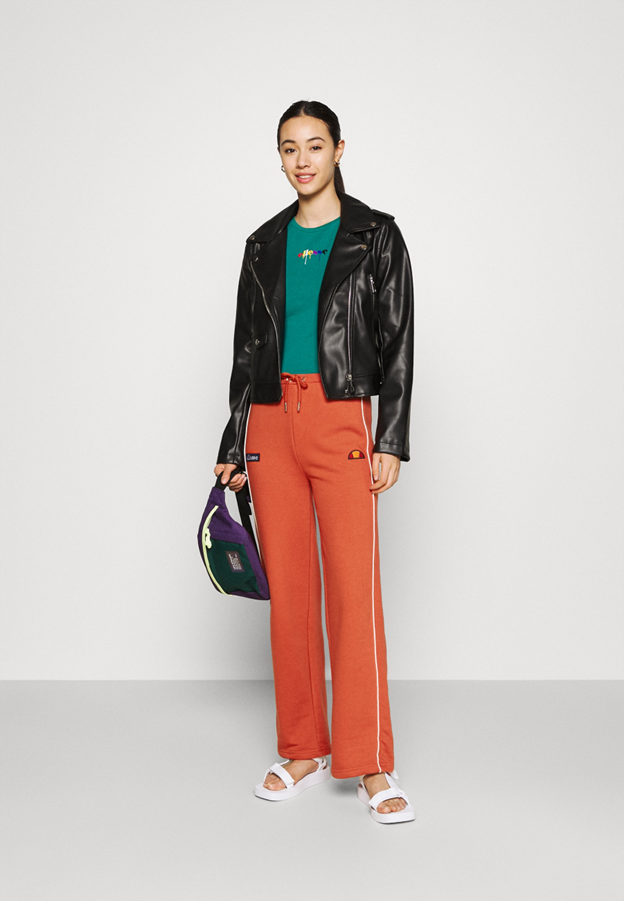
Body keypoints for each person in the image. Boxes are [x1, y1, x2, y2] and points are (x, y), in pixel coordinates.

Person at [214, 100, 415, 824]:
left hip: (340, 416)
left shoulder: (375, 236)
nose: (302, 160)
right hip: (271, 420)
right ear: (280, 157)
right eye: (289, 148)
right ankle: (302, 747)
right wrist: (233, 442)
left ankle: (369, 760)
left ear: (338, 149)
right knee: (291, 593)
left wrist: (390, 435)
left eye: (314, 145)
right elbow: (245, 351)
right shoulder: (262, 244)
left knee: (353, 592)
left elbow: (398, 340)